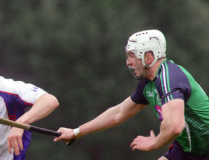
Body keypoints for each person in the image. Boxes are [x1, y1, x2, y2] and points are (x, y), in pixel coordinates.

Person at [54, 29, 209, 160]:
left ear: (148, 57)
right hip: (188, 150)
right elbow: (118, 113)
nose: (128, 62)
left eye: (132, 55)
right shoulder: (148, 83)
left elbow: (175, 126)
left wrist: (154, 144)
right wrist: (76, 132)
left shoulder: (168, 78)